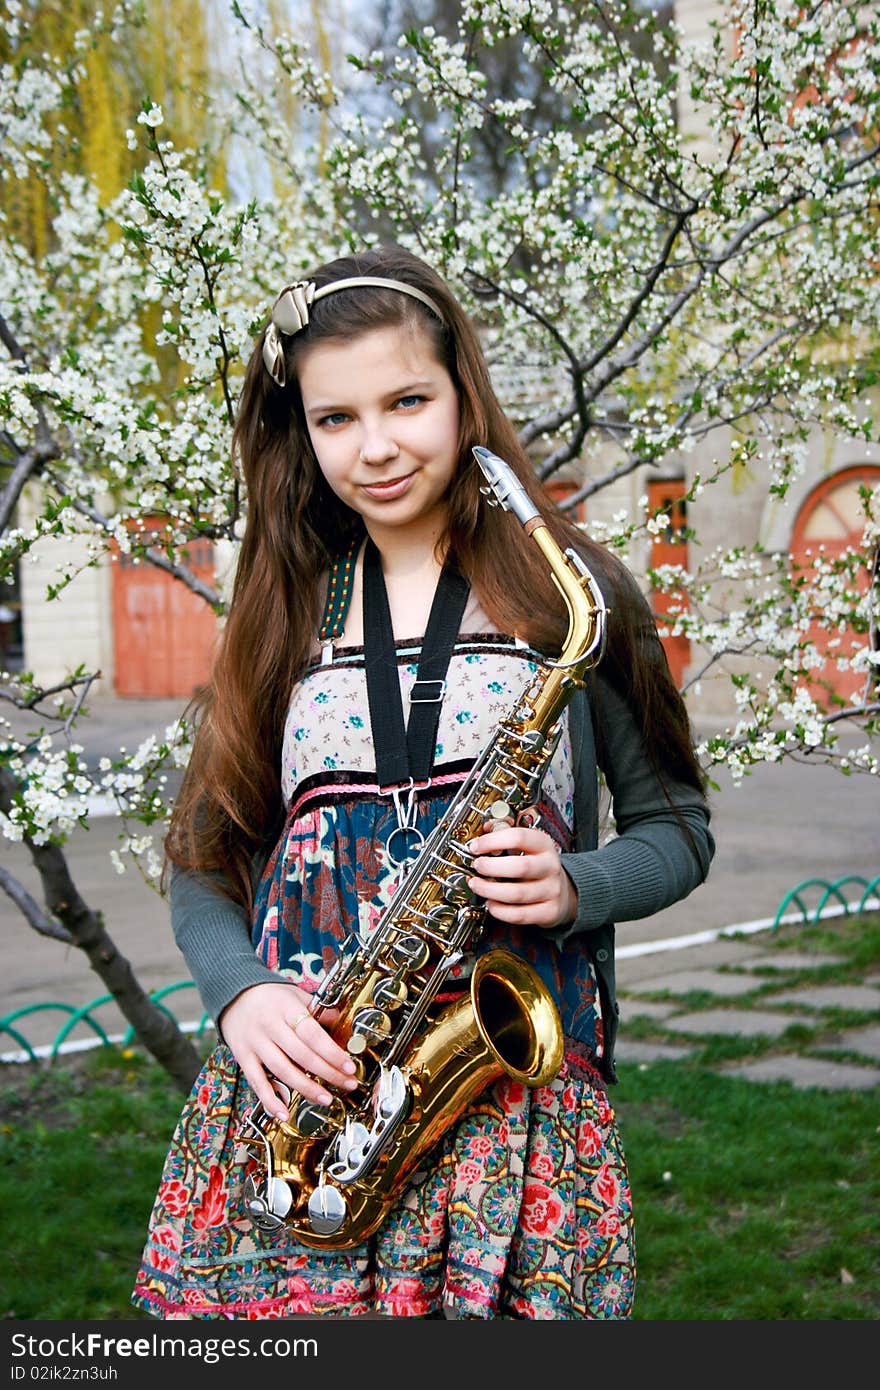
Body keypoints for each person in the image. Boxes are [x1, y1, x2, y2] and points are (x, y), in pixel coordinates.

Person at [131, 244, 714, 1322]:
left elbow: (678, 826)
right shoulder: (278, 612)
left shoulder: (577, 596)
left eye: (408, 400)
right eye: (335, 418)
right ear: (298, 432)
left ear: (464, 395)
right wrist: (240, 994)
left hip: (505, 1099)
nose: (378, 446)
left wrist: (578, 883)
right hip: (301, 1099)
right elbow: (202, 863)